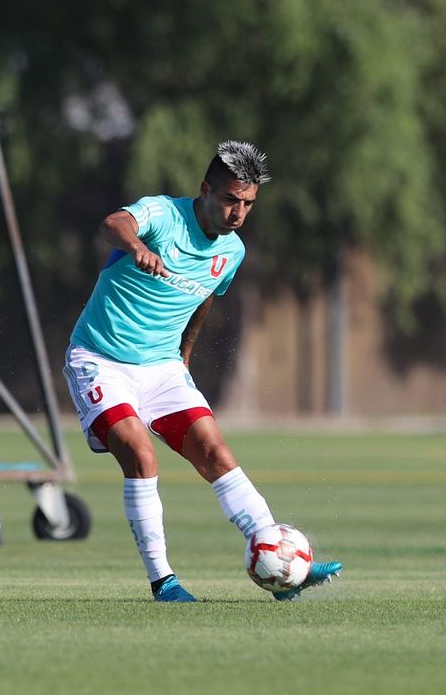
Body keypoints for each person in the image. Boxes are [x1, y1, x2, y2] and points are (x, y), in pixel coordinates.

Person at [63, 140, 342, 602]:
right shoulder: (162, 215)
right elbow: (112, 223)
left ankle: (279, 559)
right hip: (101, 359)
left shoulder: (232, 253)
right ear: (206, 190)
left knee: (215, 451)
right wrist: (135, 247)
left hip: (162, 367)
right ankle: (163, 582)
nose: (238, 212)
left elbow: (205, 296)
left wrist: (185, 352)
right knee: (141, 455)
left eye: (248, 204)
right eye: (231, 199)